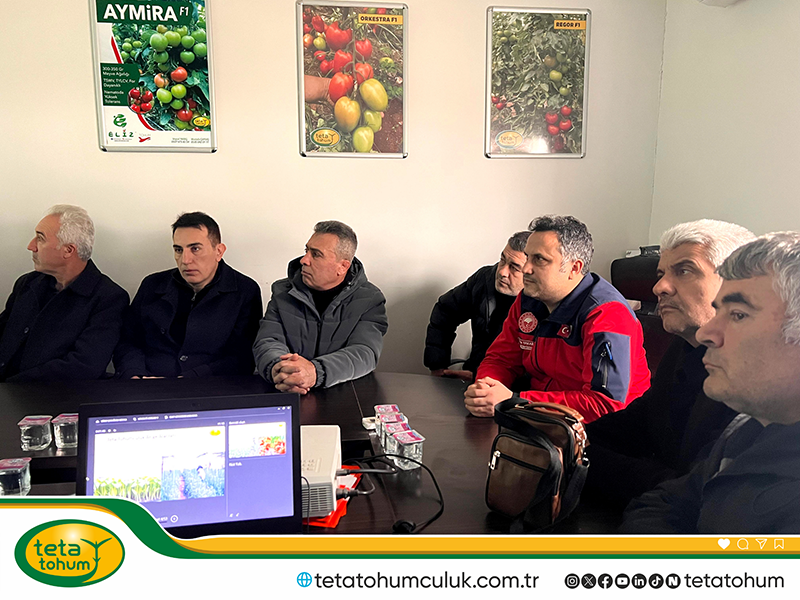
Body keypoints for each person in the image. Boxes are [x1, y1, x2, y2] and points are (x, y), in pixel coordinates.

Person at [621, 232, 800, 533]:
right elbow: (664, 502)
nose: (706, 334)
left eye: (738, 314)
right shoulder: (746, 430)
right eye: (719, 311)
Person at [583, 220, 755, 509]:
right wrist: (569, 438)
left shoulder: (760, 377)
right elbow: (641, 422)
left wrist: (584, 458)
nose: (658, 287)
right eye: (661, 274)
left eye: (684, 270)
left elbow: (695, 491)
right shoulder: (684, 347)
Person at [465, 215, 650, 422]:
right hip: (544, 417)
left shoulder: (607, 314)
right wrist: (485, 390)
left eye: (539, 259)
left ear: (574, 268)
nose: (526, 268)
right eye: (527, 257)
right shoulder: (529, 298)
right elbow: (502, 359)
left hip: (606, 429)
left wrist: (515, 402)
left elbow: (604, 403)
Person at [114, 212, 262, 378]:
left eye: (195, 249)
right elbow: (128, 341)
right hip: (147, 383)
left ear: (219, 251)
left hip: (209, 386)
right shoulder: (152, 285)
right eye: (178, 250)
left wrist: (188, 379)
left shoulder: (244, 291)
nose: (185, 260)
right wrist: (135, 374)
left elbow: (243, 357)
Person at [254, 220, 387, 394]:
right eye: (306, 251)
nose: (304, 260)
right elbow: (268, 341)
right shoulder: (283, 292)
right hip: (285, 390)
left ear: (342, 266)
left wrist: (315, 372)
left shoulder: (369, 299)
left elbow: (364, 353)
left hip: (343, 394)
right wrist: (280, 369)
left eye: (316, 254)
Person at [0, 205, 128, 382]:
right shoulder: (27, 283)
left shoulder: (108, 298)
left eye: (40, 238)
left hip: (47, 394)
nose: (31, 246)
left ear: (68, 250)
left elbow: (84, 366)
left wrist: (11, 386)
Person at [424, 231, 530, 381]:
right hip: (475, 375)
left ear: (533, 272)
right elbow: (445, 311)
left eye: (514, 267)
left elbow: (541, 371)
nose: (502, 272)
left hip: (513, 387)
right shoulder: (485, 279)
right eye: (502, 260)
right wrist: (437, 366)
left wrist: (480, 377)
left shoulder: (544, 301)